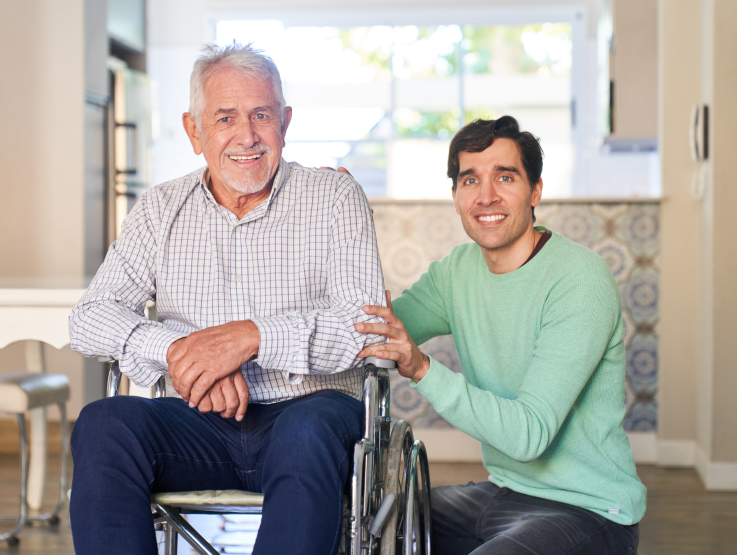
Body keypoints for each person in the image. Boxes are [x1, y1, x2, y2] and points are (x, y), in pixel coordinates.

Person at [67, 42, 386, 555]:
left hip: (309, 413)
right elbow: (89, 318)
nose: (247, 135)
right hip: (196, 422)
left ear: (284, 122)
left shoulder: (334, 198)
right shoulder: (160, 209)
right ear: (195, 130)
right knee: (104, 424)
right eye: (224, 117)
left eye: (261, 114)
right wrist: (184, 353)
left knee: (308, 429)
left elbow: (361, 326)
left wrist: (249, 338)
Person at [356, 116, 646, 554]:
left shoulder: (579, 279)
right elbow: (374, 330)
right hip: (502, 492)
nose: (486, 195)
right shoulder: (458, 271)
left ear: (535, 192)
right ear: (455, 197)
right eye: (470, 179)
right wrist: (343, 216)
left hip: (588, 511)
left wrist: (421, 369)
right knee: (367, 525)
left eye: (505, 177)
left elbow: (527, 436)